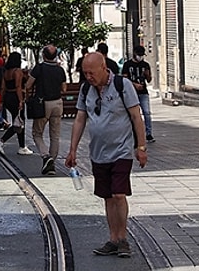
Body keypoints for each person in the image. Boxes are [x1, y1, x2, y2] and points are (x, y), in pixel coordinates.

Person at [65, 52, 148, 258]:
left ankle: (123, 239)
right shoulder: (86, 89)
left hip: (121, 151)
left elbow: (137, 117)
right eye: (85, 73)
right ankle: (113, 239)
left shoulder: (122, 85)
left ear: (104, 68)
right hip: (98, 153)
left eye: (91, 73)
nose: (88, 77)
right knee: (108, 196)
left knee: (119, 194)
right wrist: (73, 149)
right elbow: (80, 119)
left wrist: (141, 147)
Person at [25, 45, 67, 175]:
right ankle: (52, 164)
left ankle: (46, 156)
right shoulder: (60, 70)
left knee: (37, 133)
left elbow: (28, 85)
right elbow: (64, 89)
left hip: (43, 103)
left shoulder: (39, 68)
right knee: (55, 135)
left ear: (43, 55)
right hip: (58, 103)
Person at [0, 52, 32, 155]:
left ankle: (22, 146)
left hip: (8, 97)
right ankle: (2, 141)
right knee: (20, 122)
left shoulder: (6, 72)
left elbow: (3, 87)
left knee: (18, 120)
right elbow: (18, 86)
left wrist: (1, 101)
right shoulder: (17, 71)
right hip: (15, 97)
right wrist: (21, 100)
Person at [121, 45, 154, 143]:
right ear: (134, 54)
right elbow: (124, 79)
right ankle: (132, 133)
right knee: (132, 114)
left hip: (143, 92)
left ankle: (148, 134)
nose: (140, 57)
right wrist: (134, 85)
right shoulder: (127, 65)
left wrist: (148, 75)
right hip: (131, 93)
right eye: (139, 55)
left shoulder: (145, 65)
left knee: (147, 112)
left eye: (142, 55)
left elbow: (149, 79)